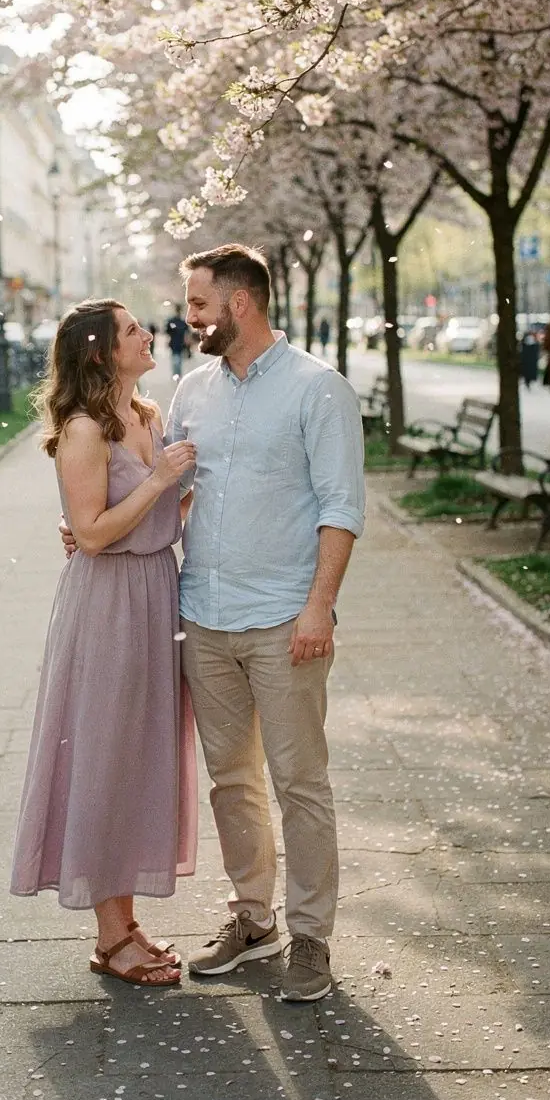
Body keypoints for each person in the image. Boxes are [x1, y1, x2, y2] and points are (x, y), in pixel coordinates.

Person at [63, 245, 365, 1001]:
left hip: (283, 618)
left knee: (300, 782)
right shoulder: (193, 391)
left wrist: (320, 606)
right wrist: (92, 528)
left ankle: (312, 939)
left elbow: (341, 507)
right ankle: (253, 918)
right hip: (201, 614)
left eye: (197, 304)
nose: (186, 317)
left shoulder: (316, 389)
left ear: (238, 305)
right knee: (233, 783)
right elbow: (167, 491)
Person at [11, 298, 198, 988]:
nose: (148, 334)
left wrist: (182, 493)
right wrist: (158, 481)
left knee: (138, 757)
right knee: (105, 756)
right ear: (99, 353)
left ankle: (125, 926)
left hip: (154, 593)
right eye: (131, 331)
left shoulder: (149, 417)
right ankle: (110, 936)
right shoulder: (85, 429)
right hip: (108, 605)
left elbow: (160, 513)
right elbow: (90, 534)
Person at [165, 303, 191, 381]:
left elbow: (187, 334)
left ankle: (177, 375)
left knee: (177, 361)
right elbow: (168, 332)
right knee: (177, 361)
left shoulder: (179, 322)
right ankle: (177, 375)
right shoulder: (175, 322)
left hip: (179, 344)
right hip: (175, 344)